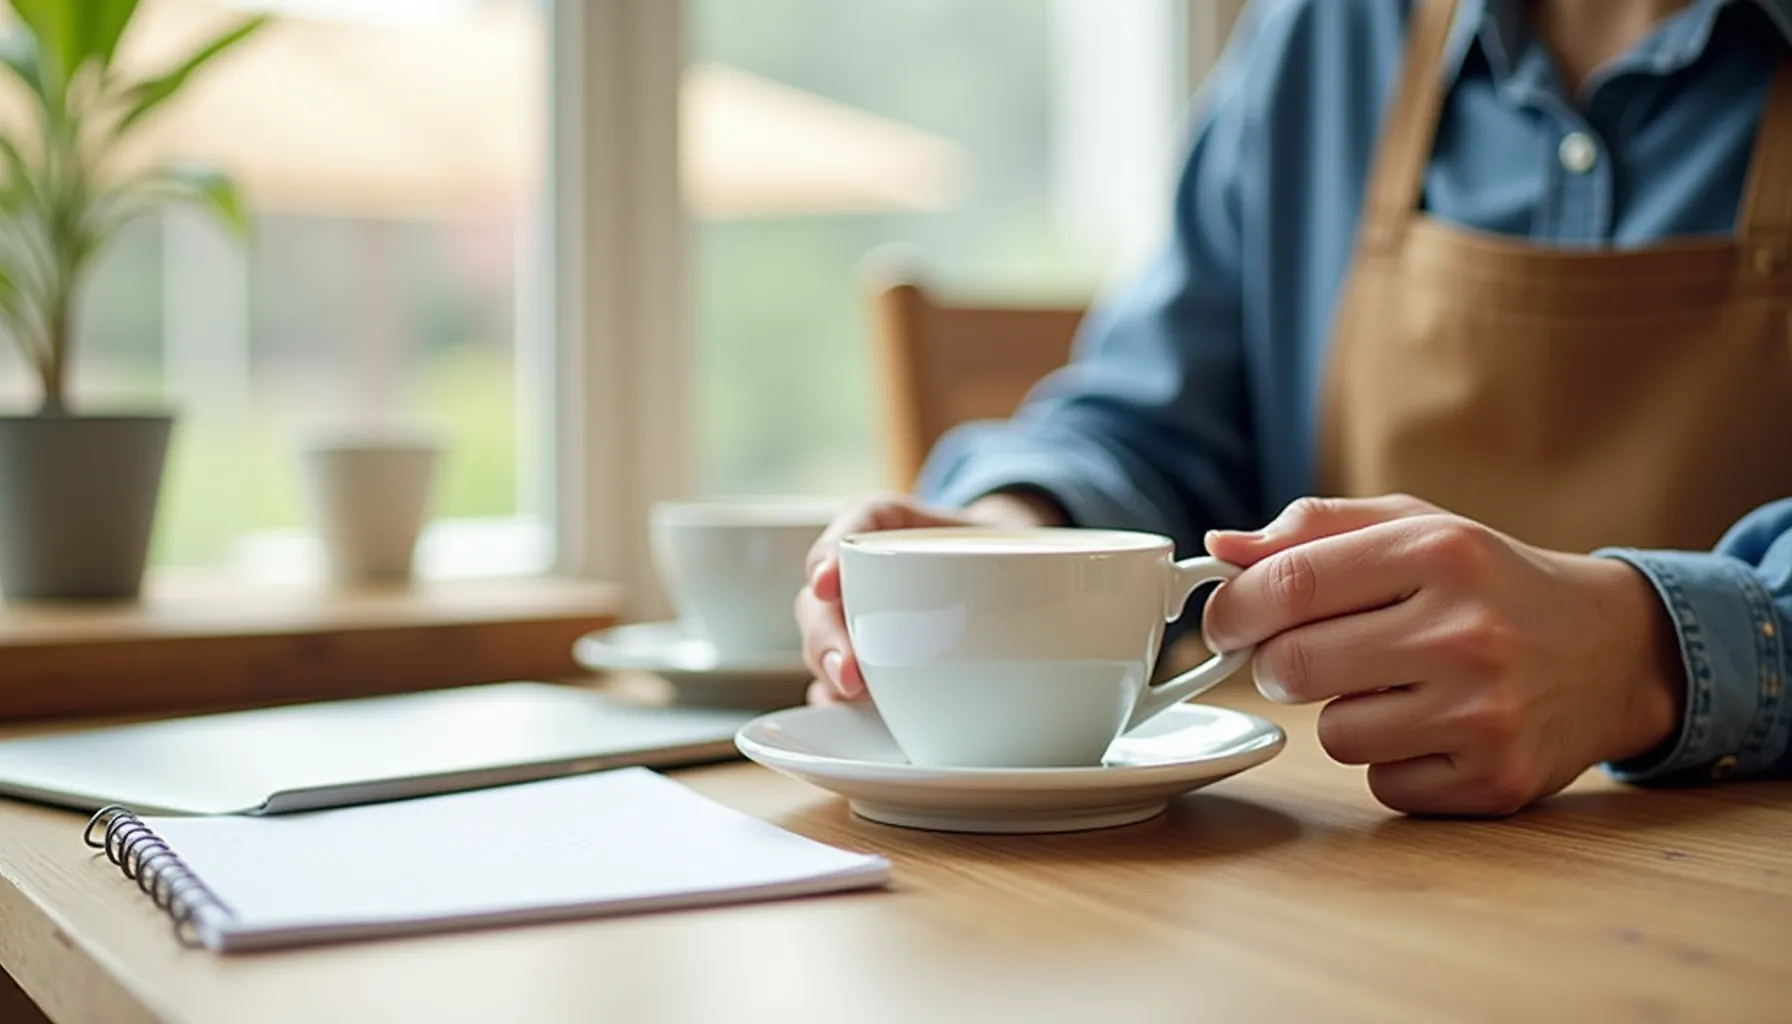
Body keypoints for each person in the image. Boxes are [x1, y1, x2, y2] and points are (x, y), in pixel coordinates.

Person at [794, 0, 1792, 816]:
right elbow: (1153, 421)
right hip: (1358, 877)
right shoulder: (1324, 34)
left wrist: (1654, 651)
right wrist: (1015, 538)